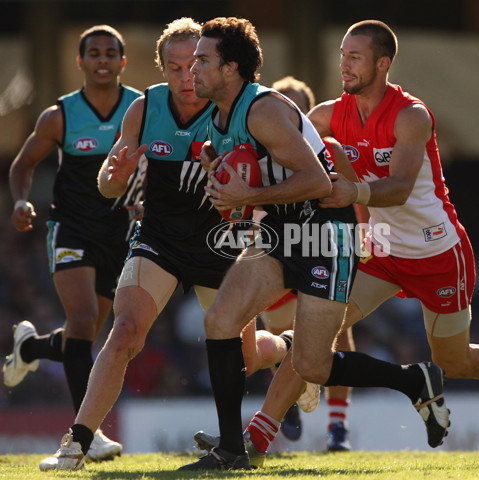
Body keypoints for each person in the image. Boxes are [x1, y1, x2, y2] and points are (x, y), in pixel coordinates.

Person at [196, 19, 479, 465]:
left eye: (355, 57)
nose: (344, 64)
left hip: (436, 251)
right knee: (318, 338)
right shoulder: (327, 115)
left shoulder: (412, 115)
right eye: (342, 56)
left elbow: (402, 186)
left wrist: (354, 193)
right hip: (378, 249)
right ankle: (257, 436)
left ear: (383, 63)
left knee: (455, 361)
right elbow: (287, 157)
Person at [178, 17, 448, 472]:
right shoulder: (217, 114)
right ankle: (230, 450)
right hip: (282, 230)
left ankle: (413, 380)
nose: (192, 69)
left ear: (231, 69)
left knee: (314, 366)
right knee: (220, 321)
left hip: (325, 233)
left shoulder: (261, 110)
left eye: (203, 60)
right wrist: (221, 180)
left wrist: (248, 195)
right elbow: (250, 177)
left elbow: (318, 180)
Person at [37, 17, 292, 472]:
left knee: (248, 358)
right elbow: (109, 185)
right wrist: (112, 177)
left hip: (224, 246)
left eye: (193, 64)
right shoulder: (144, 108)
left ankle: (285, 350)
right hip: (159, 241)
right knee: (124, 334)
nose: (185, 76)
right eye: (173, 68)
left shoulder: (238, 109)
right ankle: (75, 444)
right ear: (160, 69)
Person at [5, 24, 143, 462]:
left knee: (84, 336)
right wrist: (22, 200)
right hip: (70, 230)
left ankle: (30, 348)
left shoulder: (140, 111)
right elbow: (23, 164)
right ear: (80, 61)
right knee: (82, 319)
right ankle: (89, 433)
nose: (102, 59)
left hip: (118, 235)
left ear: (122, 62)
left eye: (110, 53)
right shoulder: (59, 115)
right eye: (94, 53)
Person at [262, 76, 358, 450]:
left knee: (339, 332)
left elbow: (354, 202)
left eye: (298, 106)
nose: (291, 113)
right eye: (283, 105)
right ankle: (287, 401)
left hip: (324, 249)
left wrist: (362, 244)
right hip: (281, 250)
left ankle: (338, 428)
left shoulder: (333, 150)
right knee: (280, 333)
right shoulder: (262, 150)